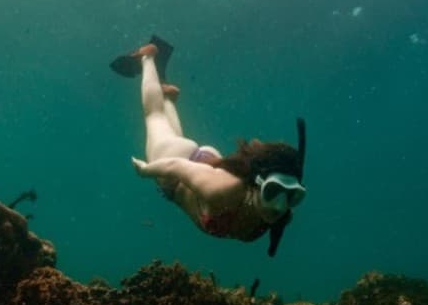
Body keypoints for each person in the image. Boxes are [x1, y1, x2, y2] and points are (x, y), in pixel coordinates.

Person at [111, 36, 307, 257]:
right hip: (179, 172)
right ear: (256, 184)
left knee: (171, 134)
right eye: (273, 191)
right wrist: (147, 171)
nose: (279, 206)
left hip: (201, 164)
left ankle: (168, 98)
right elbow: (176, 165)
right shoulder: (220, 191)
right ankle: (148, 56)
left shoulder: (277, 215)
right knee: (154, 117)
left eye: (293, 196)